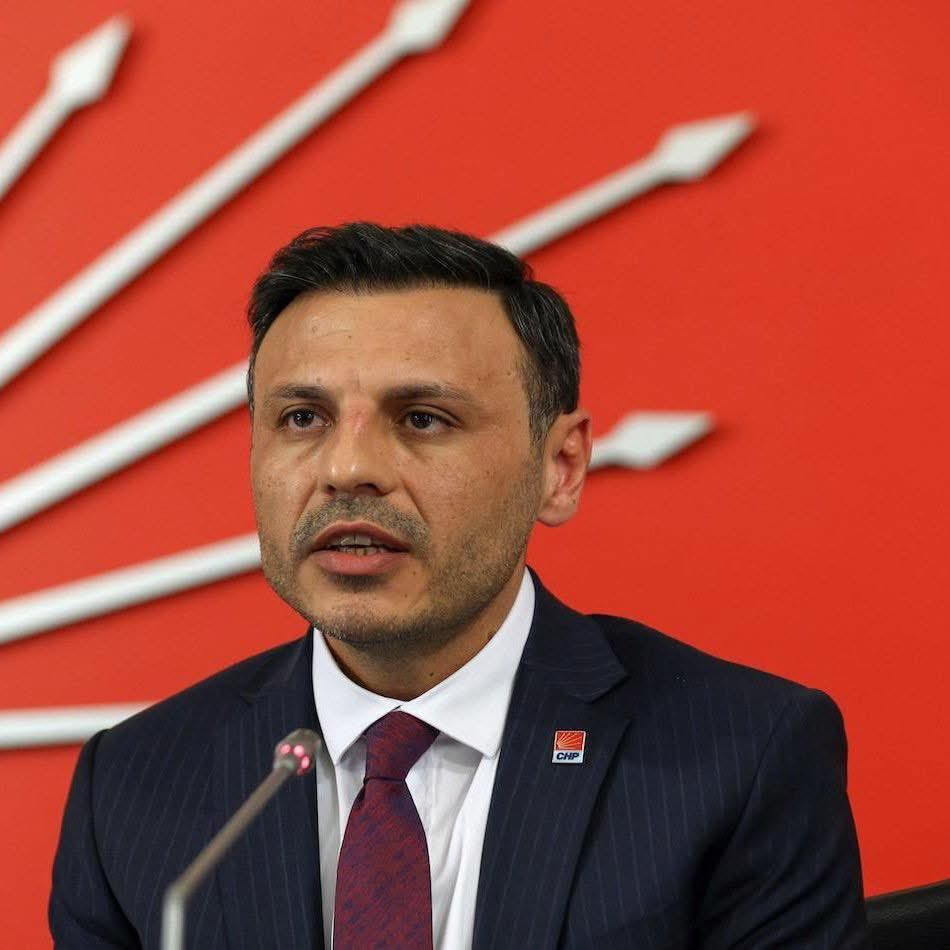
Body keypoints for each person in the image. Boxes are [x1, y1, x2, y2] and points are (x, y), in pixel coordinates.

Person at [50, 223, 869, 948]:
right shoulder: (133, 787)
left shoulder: (740, 757)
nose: (348, 469)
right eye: (303, 418)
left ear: (561, 467)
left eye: (423, 419)